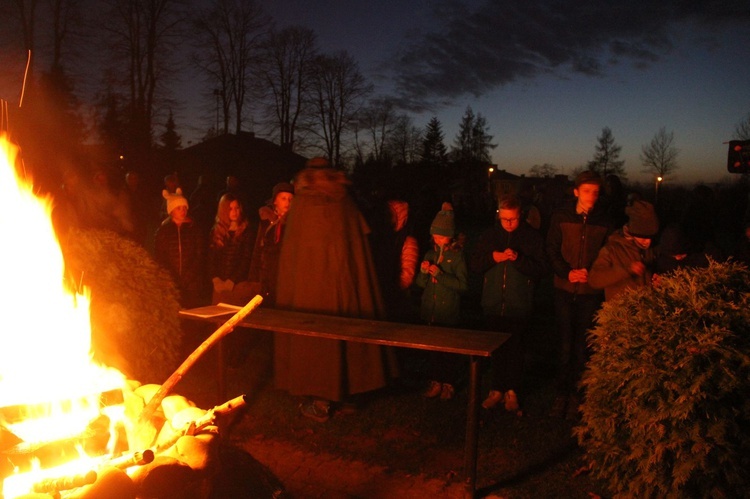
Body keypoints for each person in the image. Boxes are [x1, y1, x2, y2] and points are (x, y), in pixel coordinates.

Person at [274, 157, 397, 422]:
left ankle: (321, 399)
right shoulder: (345, 200)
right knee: (345, 330)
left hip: (308, 290)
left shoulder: (304, 203)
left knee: (315, 339)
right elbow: (360, 243)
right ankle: (349, 393)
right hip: (345, 284)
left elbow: (293, 253)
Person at [470, 196, 548, 413]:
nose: (509, 224)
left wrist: (519, 260)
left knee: (516, 348)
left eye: (512, 219)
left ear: (520, 215)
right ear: (499, 215)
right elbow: (475, 264)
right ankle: (496, 389)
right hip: (493, 302)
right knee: (496, 349)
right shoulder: (489, 236)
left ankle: (512, 390)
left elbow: (541, 269)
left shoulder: (531, 237)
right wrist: (492, 257)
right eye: (505, 219)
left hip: (518, 302)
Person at [545, 171, 611, 419]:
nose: (591, 196)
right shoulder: (561, 216)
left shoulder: (604, 221)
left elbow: (608, 253)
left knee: (583, 344)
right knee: (564, 343)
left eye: (595, 192)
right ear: (576, 192)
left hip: (590, 291)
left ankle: (578, 394)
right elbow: (551, 247)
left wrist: (591, 272)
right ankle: (562, 392)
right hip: (564, 288)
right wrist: (566, 272)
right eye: (587, 191)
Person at [416, 203, 469, 401]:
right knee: (433, 350)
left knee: (447, 352)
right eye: (435, 235)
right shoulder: (430, 254)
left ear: (451, 235)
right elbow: (421, 284)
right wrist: (423, 273)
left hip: (448, 313)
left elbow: (463, 285)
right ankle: (435, 381)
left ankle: (448, 383)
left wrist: (441, 275)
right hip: (431, 310)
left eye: (441, 235)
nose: (437, 239)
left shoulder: (456, 257)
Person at [589, 199, 659, 301]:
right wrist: (626, 270)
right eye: (643, 237)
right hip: (620, 312)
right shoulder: (612, 249)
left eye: (650, 237)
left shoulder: (651, 250)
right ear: (632, 232)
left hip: (644, 312)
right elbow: (594, 280)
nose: (647, 242)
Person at [154, 188, 206, 308]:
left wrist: (188, 277)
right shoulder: (163, 231)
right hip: (171, 282)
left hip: (192, 283)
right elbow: (160, 258)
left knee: (192, 312)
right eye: (179, 208)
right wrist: (172, 277)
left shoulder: (194, 229)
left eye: (184, 208)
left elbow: (199, 255)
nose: (183, 211)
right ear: (171, 210)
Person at [248, 182, 294, 307]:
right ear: (275, 201)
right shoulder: (266, 221)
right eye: (283, 198)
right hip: (266, 274)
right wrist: (253, 276)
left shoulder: (294, 223)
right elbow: (258, 248)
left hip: (284, 275)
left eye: (290, 199)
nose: (287, 202)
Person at [208, 193, 254, 306]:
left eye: (236, 208)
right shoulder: (217, 231)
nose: (234, 212)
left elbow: (246, 258)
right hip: (219, 285)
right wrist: (215, 278)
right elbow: (211, 257)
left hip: (238, 285)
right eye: (230, 208)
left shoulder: (246, 231)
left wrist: (233, 280)